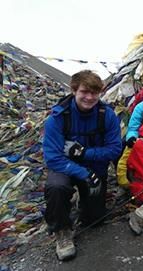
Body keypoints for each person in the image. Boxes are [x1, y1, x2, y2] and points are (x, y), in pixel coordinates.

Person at [43, 70, 122, 260]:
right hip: (65, 168)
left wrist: (85, 152)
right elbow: (52, 158)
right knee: (57, 187)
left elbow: (114, 149)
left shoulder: (107, 115)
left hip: (94, 167)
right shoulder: (57, 118)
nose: (89, 97)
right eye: (84, 92)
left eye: (94, 93)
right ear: (73, 90)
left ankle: (83, 202)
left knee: (95, 220)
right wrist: (83, 173)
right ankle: (62, 231)